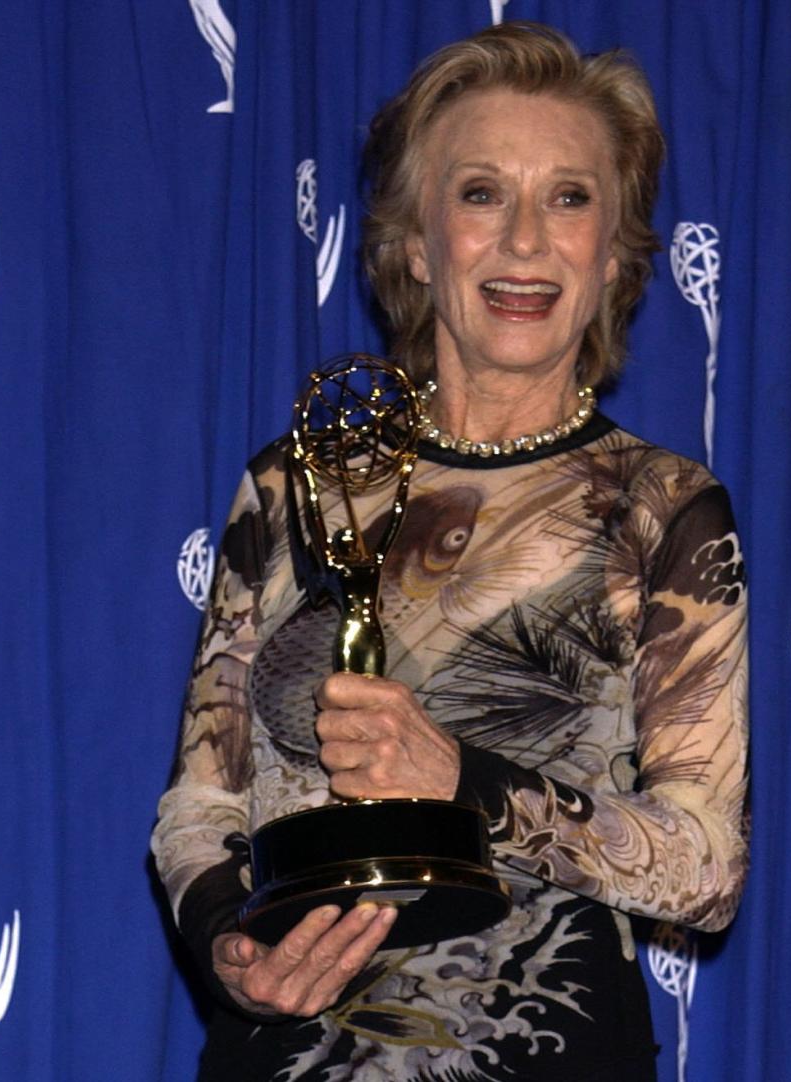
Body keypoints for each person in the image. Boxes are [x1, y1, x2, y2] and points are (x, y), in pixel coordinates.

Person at [152, 21, 749, 1081]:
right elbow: (203, 804)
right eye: (481, 193)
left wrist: (463, 781)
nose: (525, 239)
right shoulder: (294, 482)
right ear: (418, 242)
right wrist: (229, 946)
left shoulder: (667, 510)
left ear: (613, 252)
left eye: (569, 197)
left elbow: (705, 868)